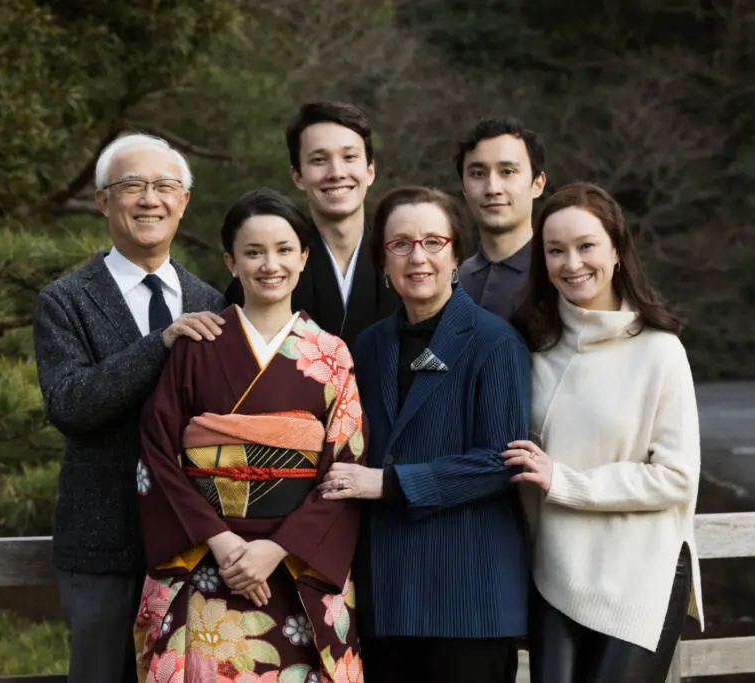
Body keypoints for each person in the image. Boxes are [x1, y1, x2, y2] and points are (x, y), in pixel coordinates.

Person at [135, 188, 367, 683]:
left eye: (285, 250)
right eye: (253, 252)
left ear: (304, 258)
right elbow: (157, 456)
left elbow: (343, 473)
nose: (270, 264)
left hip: (295, 568)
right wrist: (221, 542)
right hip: (207, 563)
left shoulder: (332, 355)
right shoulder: (197, 346)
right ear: (231, 261)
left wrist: (275, 550)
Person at [33, 133, 227, 683]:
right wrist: (160, 343)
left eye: (165, 186)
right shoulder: (65, 300)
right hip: (102, 546)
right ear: (102, 200)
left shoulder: (211, 300)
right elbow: (70, 402)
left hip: (195, 546)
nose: (150, 199)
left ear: (184, 201)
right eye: (132, 186)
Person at [319, 186, 531, 683]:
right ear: (383, 260)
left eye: (434, 242)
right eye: (401, 244)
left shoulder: (495, 341)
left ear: (456, 252)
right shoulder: (367, 347)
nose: (419, 257)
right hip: (387, 594)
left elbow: (500, 462)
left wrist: (388, 483)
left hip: (469, 597)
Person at [507, 182, 704, 683]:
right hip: (556, 573)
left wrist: (565, 481)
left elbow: (677, 477)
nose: (571, 263)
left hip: (643, 571)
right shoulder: (534, 350)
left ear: (616, 250)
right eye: (555, 251)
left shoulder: (660, 351)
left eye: (586, 246)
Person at [225, 101, 397, 349]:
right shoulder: (270, 269)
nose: (336, 172)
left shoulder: (401, 261)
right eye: (319, 160)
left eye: (349, 157)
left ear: (370, 170)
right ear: (297, 176)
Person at [456, 117, 547, 321]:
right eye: (478, 174)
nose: (492, 189)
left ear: (538, 184)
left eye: (507, 172)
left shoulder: (559, 275)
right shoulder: (451, 284)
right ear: (463, 187)